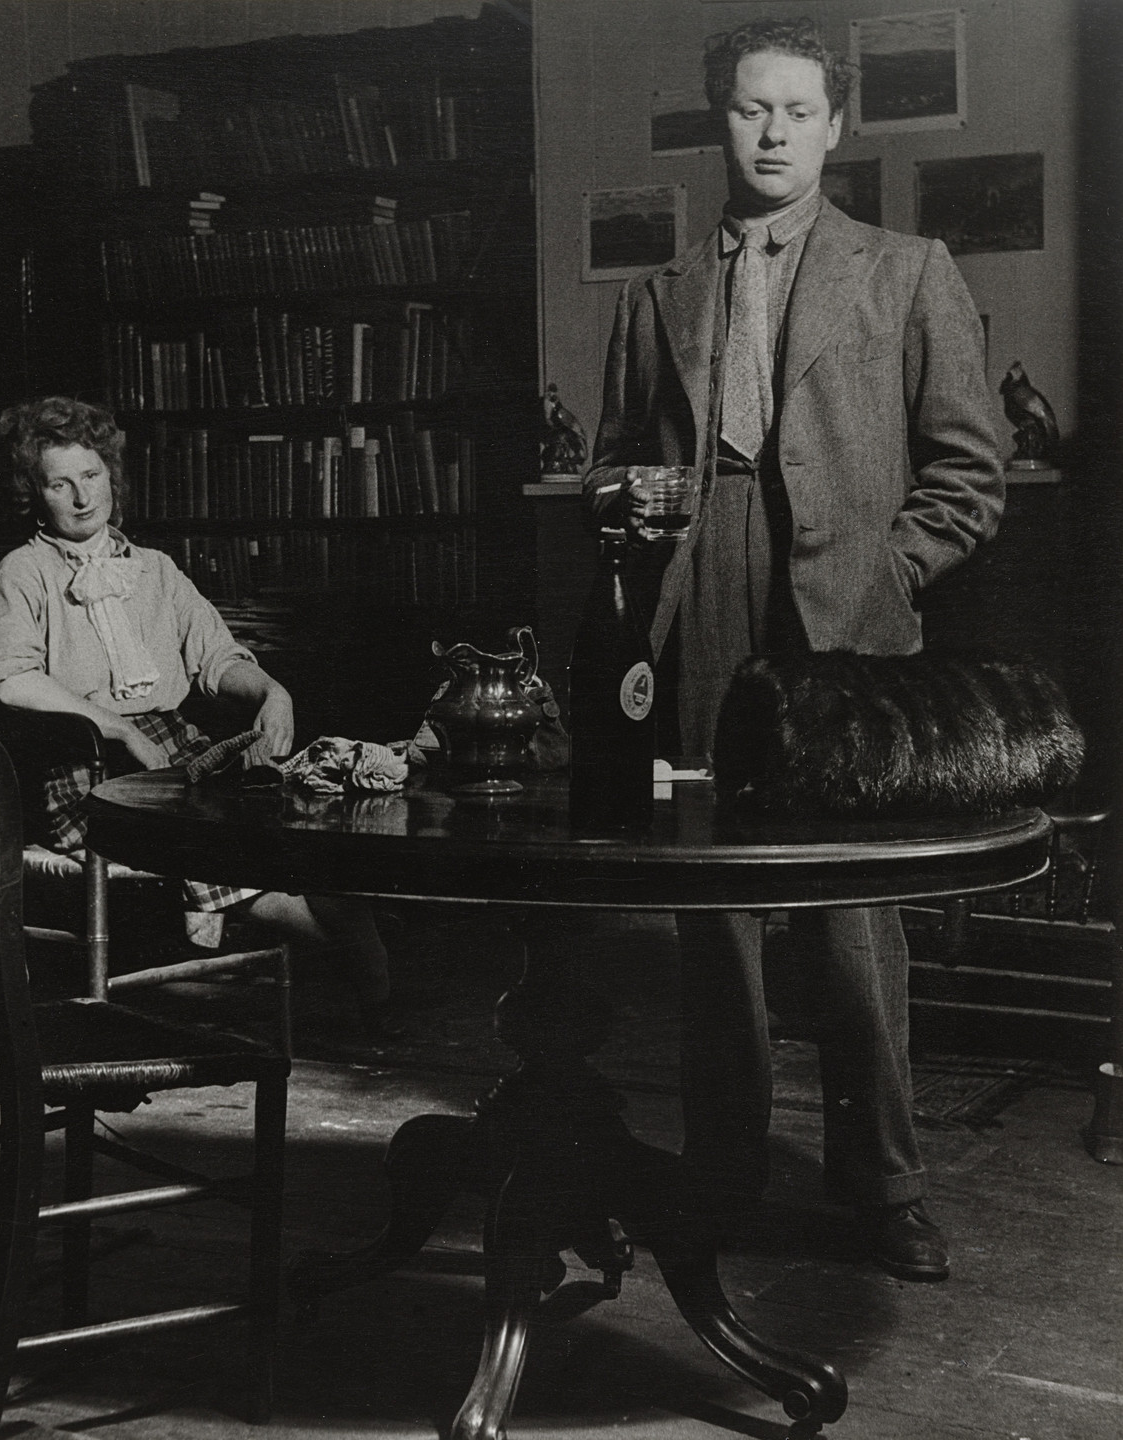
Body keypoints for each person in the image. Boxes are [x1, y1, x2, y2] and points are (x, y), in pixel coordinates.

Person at [584, 19, 1004, 1280]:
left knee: (850, 909)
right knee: (717, 907)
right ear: (720, 119)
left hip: (847, 614)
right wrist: (640, 523)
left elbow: (969, 475)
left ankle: (880, 1185)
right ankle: (721, 1169)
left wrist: (890, 570)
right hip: (698, 593)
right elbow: (615, 469)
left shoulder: (906, 269)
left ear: (836, 127)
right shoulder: (655, 296)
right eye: (747, 110)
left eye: (795, 112)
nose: (770, 134)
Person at [0, 396, 397, 1036]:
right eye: (60, 483)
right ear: (35, 492)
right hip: (81, 769)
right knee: (264, 867)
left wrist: (272, 692)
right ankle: (353, 960)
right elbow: (12, 677)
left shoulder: (156, 571)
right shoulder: (24, 571)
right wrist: (113, 726)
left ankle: (312, 916)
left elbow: (217, 657)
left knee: (302, 820)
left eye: (92, 476)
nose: (82, 498)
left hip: (175, 747)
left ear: (112, 475)